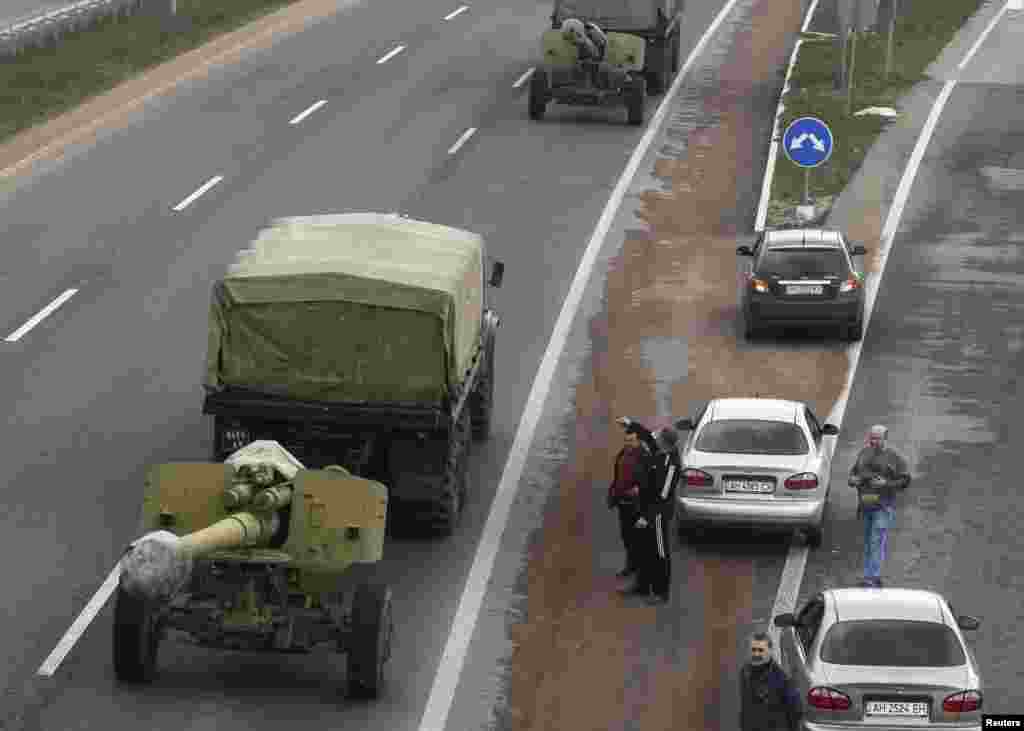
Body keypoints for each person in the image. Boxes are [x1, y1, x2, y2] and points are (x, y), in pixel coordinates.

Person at [615, 417, 680, 605]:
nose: (654, 440)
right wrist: (630, 424)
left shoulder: (672, 465)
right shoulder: (659, 449)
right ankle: (642, 586)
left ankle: (661, 592)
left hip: (658, 515)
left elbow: (662, 496)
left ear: (664, 443)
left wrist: (647, 516)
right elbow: (646, 434)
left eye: (658, 438)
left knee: (660, 552)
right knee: (643, 548)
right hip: (646, 509)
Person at [848, 424, 911, 588]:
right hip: (865, 505)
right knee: (868, 542)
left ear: (885, 439)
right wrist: (852, 480)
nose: (873, 441)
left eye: (877, 438)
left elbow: (905, 480)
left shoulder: (894, 457)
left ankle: (872, 577)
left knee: (876, 541)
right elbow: (853, 473)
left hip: (883, 506)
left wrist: (886, 484)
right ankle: (869, 575)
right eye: (871, 438)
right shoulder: (863, 453)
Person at [606, 422, 647, 578]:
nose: (628, 444)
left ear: (638, 440)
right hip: (623, 502)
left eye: (631, 441)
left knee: (638, 538)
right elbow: (618, 475)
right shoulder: (623, 453)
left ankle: (640, 568)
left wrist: (640, 489)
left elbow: (651, 480)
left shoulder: (645, 456)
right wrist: (614, 493)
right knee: (626, 536)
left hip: (637, 505)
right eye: (626, 440)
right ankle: (631, 565)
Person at [739, 632, 802, 731]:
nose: (756, 654)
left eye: (761, 650)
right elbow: (745, 705)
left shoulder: (782, 679)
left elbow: (796, 711)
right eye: (753, 650)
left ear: (770, 651)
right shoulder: (745, 672)